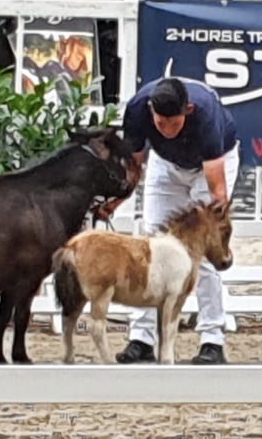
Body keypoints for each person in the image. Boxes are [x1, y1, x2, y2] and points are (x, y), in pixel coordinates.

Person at [102, 76, 239, 364]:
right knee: (151, 249)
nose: (166, 130)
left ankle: (212, 339)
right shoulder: (139, 108)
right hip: (166, 165)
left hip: (212, 166)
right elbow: (133, 165)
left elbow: (217, 190)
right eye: (160, 123)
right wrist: (116, 201)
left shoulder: (205, 116)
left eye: (173, 124)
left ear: (187, 110)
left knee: (199, 254)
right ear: (151, 108)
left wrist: (219, 234)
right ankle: (141, 338)